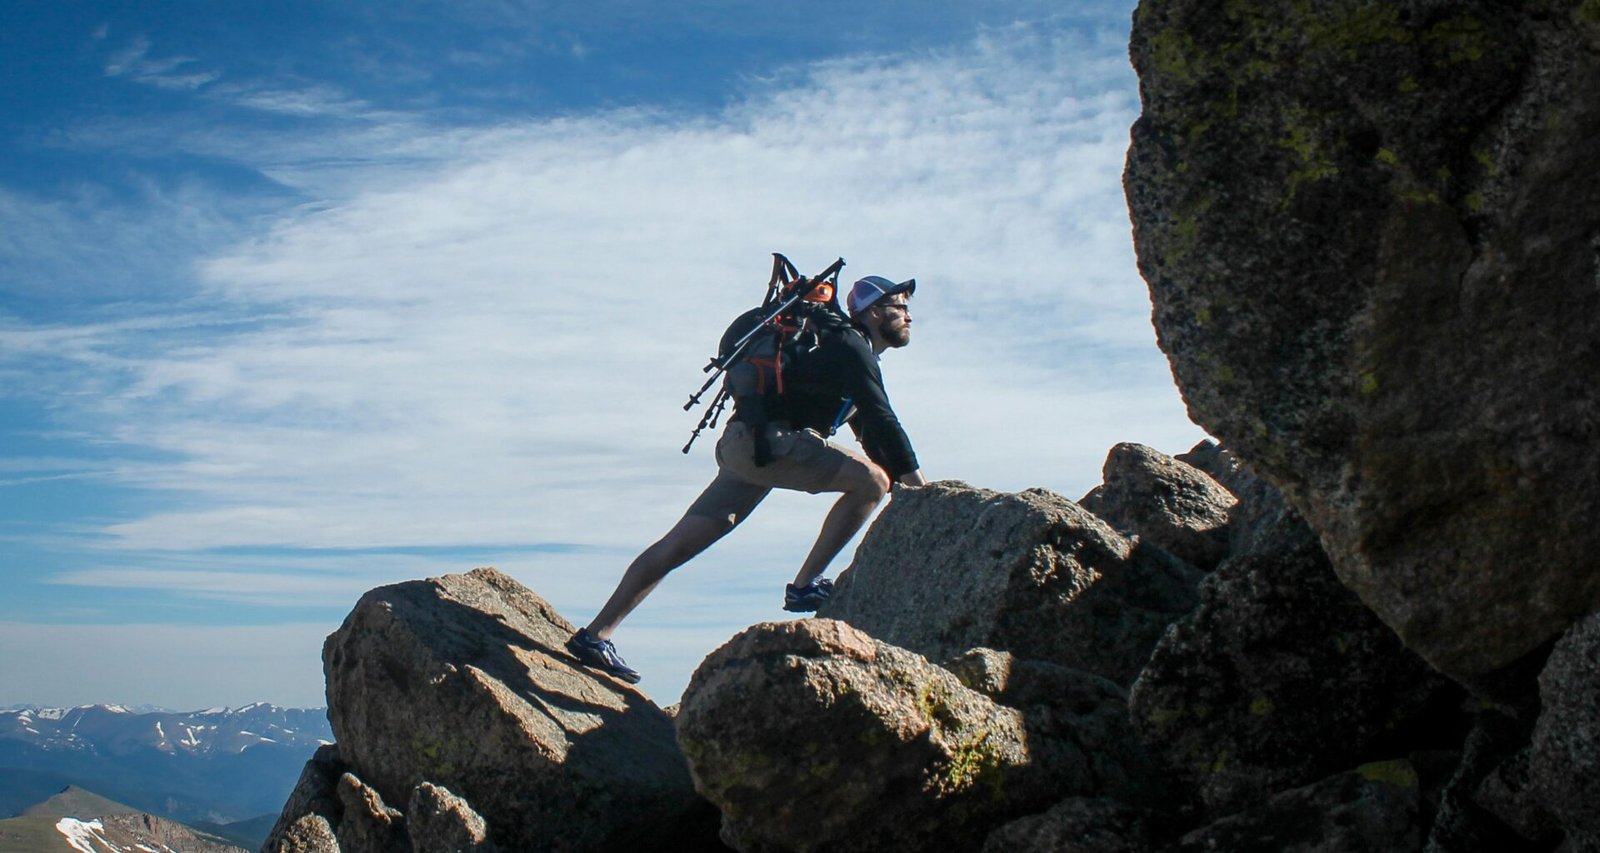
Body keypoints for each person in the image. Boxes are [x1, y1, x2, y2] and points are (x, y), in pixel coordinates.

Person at [566, 274, 928, 683]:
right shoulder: (850, 346)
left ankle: (596, 635)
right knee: (871, 482)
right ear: (874, 312)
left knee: (678, 544)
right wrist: (922, 492)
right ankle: (805, 585)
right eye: (901, 307)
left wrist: (910, 487)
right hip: (766, 444)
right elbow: (883, 420)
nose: (909, 316)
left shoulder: (845, 350)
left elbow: (873, 433)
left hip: (746, 445)